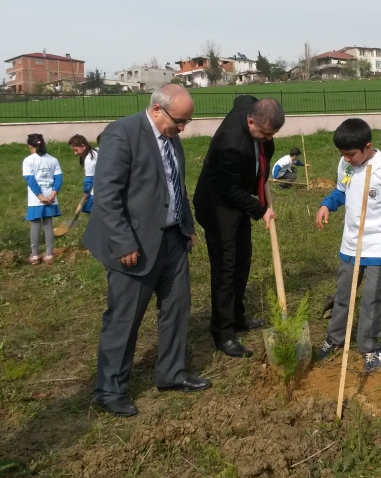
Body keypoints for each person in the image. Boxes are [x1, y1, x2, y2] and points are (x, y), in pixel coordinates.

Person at [84, 84, 207, 418]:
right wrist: (123, 242)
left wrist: (188, 225)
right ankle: (110, 389)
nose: (182, 128)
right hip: (133, 245)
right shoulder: (121, 134)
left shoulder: (172, 138)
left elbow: (175, 185)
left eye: (187, 122)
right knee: (124, 318)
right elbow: (106, 193)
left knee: (178, 307)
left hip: (172, 239)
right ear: (156, 109)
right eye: (179, 120)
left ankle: (171, 373)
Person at [314, 118, 381, 374]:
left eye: (351, 154)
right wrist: (327, 204)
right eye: (342, 155)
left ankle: (370, 347)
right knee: (343, 295)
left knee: (372, 299)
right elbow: (342, 190)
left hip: (378, 247)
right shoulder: (346, 164)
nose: (346, 159)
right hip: (350, 244)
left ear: (368, 146)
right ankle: (335, 338)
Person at [193, 96, 284, 358]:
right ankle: (223, 333)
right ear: (250, 120)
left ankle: (237, 315)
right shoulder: (231, 144)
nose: (267, 139)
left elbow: (241, 98)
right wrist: (261, 209)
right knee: (226, 267)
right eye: (264, 134)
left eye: (272, 135)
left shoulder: (251, 109)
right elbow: (228, 189)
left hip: (239, 198)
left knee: (243, 258)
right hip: (218, 205)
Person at [23, 134, 62, 265]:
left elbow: (31, 180)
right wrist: (53, 194)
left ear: (30, 146)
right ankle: (49, 255)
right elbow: (59, 178)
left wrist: (40, 197)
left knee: (35, 225)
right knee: (48, 224)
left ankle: (34, 255)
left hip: (36, 199)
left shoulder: (28, 160)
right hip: (51, 197)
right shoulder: (53, 160)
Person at [68, 134, 99, 214]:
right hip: (105, 187)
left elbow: (89, 179)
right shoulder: (96, 150)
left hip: (98, 190)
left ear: (83, 146)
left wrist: (86, 192)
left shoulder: (89, 159)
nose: (75, 153)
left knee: (93, 212)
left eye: (76, 150)